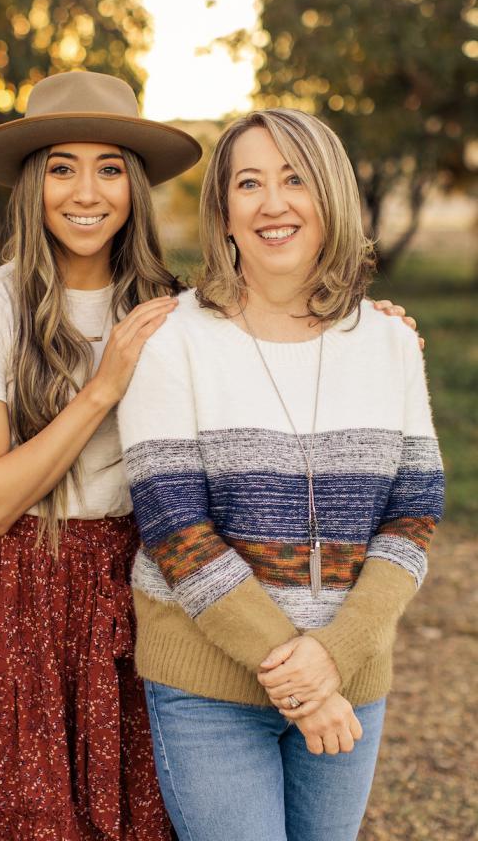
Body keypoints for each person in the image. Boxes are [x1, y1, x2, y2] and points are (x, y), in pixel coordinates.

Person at [118, 108, 444, 841]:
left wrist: (333, 657)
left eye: (294, 180)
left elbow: (415, 509)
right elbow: (174, 526)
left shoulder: (389, 340)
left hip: (348, 677)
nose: (273, 203)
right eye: (249, 184)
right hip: (208, 686)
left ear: (328, 198)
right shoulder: (172, 337)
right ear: (224, 212)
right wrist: (295, 673)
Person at [0, 71, 202, 841]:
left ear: (133, 186)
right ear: (34, 184)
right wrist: (101, 389)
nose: (85, 191)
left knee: (136, 814)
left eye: (109, 168)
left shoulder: (177, 306)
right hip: (10, 588)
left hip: (141, 580)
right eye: (62, 167)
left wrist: (378, 332)